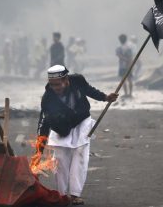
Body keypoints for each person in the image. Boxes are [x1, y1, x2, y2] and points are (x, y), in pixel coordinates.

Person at [35, 65, 118, 205]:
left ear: (66, 79)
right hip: (62, 127)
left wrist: (105, 97)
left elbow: (90, 91)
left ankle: (75, 194)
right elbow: (44, 124)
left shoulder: (78, 80)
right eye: (52, 85)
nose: (56, 88)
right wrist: (38, 152)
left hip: (81, 121)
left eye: (58, 84)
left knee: (80, 154)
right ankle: (61, 194)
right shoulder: (48, 98)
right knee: (60, 159)